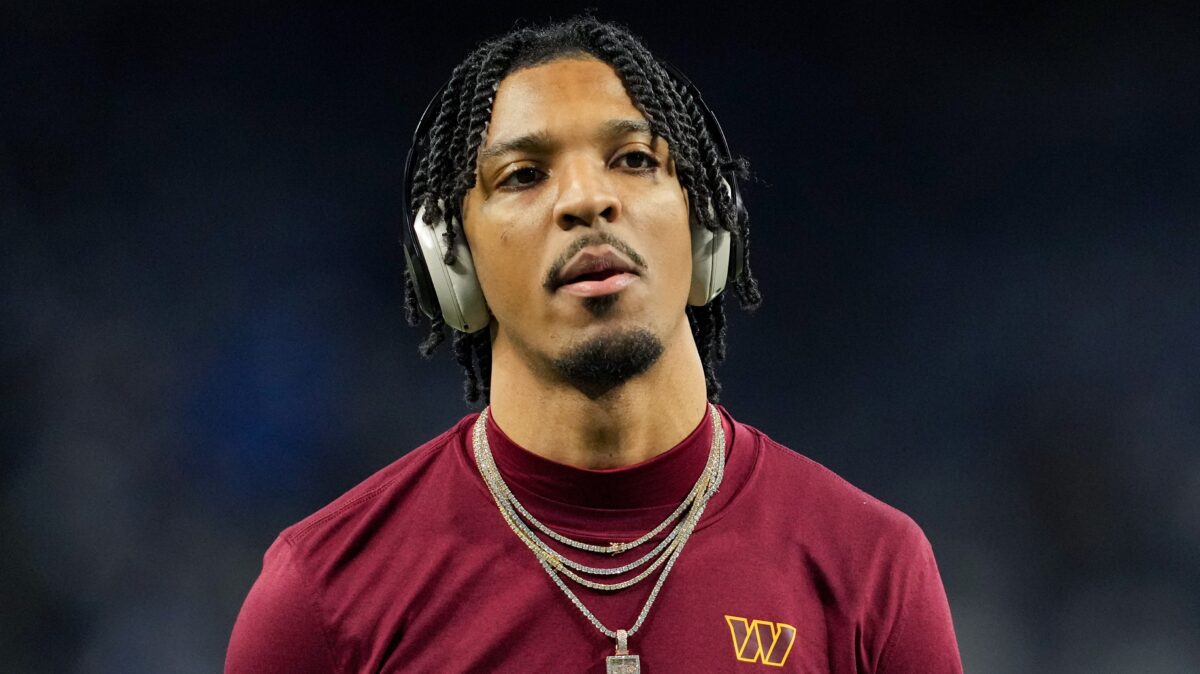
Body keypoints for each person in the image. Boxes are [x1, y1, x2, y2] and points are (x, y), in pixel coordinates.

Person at [226, 15, 962, 674]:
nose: (586, 199)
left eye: (635, 159)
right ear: (452, 263)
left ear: (707, 226)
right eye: (523, 175)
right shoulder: (320, 598)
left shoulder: (871, 570)